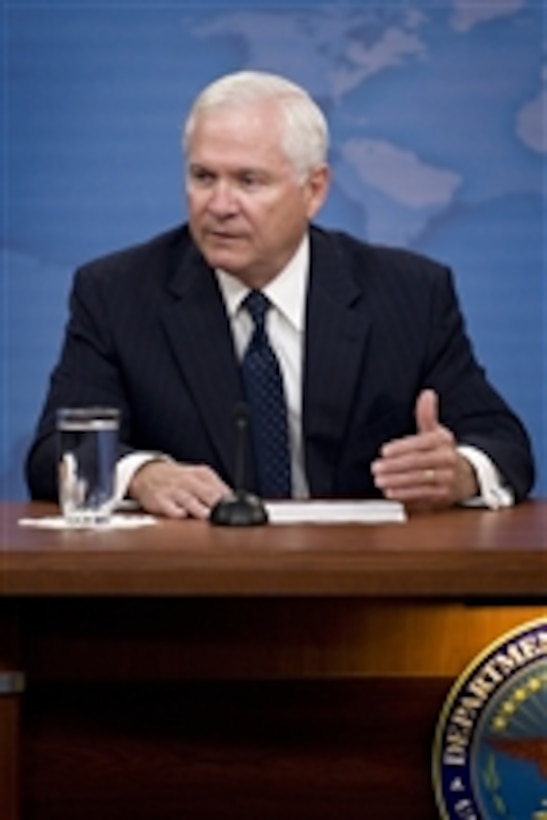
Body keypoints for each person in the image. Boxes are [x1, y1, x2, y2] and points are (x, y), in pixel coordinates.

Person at [26, 70, 535, 518]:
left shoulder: (408, 293)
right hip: (188, 591)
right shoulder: (118, 293)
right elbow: (55, 452)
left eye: (249, 181)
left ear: (314, 190)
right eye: (204, 177)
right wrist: (141, 475)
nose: (219, 205)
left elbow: (504, 446)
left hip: (364, 586)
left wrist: (459, 472)